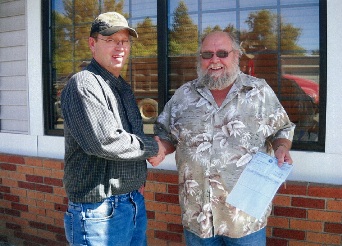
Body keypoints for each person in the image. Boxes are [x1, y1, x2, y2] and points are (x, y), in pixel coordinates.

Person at [148, 31, 295, 246]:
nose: (214, 60)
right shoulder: (183, 96)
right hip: (198, 217)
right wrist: (161, 148)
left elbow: (282, 129)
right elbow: (166, 135)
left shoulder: (259, 92)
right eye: (207, 54)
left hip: (245, 218)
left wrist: (282, 148)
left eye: (222, 53)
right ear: (200, 59)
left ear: (236, 56)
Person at [61, 12, 165, 246]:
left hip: (131, 203)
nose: (119, 47)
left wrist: (134, 181)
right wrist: (152, 148)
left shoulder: (122, 88)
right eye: (110, 40)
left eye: (124, 41)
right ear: (92, 44)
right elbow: (105, 141)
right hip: (99, 211)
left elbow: (130, 139)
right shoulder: (84, 83)